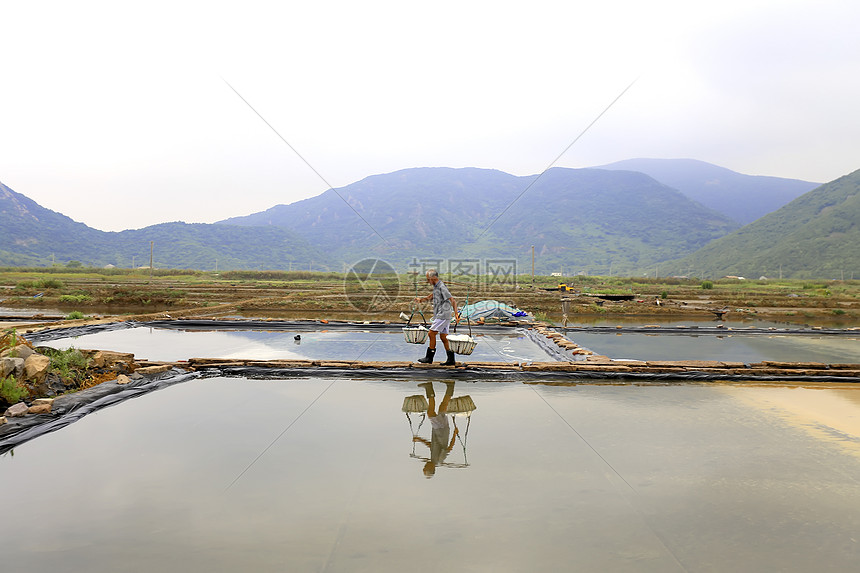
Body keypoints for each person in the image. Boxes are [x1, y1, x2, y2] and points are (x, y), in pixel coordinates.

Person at [413, 381, 458, 478]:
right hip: (441, 430)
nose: (425, 464)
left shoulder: (434, 458)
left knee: (443, 406)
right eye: (426, 466)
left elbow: (432, 445)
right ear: (431, 468)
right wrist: (455, 434)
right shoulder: (439, 460)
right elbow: (449, 448)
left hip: (441, 429)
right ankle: (429, 388)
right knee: (430, 412)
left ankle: (450, 386)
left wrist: (419, 439)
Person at [413, 269, 459, 365]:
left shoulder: (442, 287)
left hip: (443, 314)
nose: (427, 282)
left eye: (428, 279)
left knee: (431, 333)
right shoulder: (436, 286)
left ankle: (429, 358)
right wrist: (421, 300)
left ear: (433, 278)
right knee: (443, 337)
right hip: (443, 315)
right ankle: (451, 360)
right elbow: (432, 296)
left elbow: (452, 300)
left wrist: (456, 314)